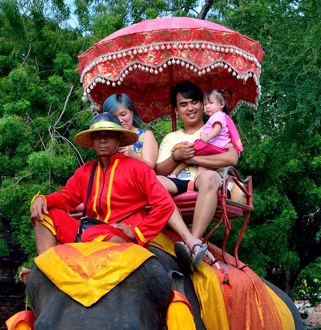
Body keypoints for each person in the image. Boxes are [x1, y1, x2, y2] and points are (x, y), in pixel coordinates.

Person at [29, 112, 208, 267]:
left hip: (120, 235)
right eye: (98, 136)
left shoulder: (137, 168)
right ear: (92, 141)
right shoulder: (85, 171)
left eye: (109, 135)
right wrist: (43, 200)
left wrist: (138, 232)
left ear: (119, 138)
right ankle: (47, 270)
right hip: (88, 231)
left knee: (93, 234)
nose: (103, 140)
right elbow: (66, 197)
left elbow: (164, 205)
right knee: (43, 214)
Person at [156, 81, 240, 270]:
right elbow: (160, 171)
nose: (190, 108)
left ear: (203, 105)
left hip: (210, 180)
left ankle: (193, 242)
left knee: (208, 177)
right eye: (183, 104)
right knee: (154, 182)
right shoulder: (170, 138)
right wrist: (177, 156)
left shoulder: (217, 126)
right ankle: (190, 240)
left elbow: (232, 157)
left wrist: (195, 159)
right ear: (176, 110)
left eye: (194, 102)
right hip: (180, 182)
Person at [102, 93, 158, 168]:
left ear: (131, 112)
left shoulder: (145, 135)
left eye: (123, 114)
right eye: (114, 117)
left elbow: (151, 167)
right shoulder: (106, 139)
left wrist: (135, 156)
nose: (120, 120)